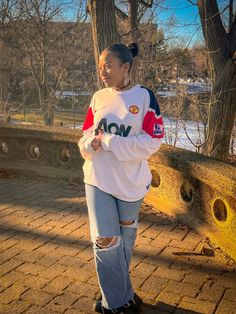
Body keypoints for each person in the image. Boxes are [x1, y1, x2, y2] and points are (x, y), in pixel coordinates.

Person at [78, 43, 164, 314]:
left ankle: (121, 295)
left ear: (125, 67)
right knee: (105, 240)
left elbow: (153, 140)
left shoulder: (144, 97)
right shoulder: (98, 97)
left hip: (131, 184)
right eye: (100, 66)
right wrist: (89, 144)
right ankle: (115, 305)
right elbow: (85, 135)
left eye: (108, 66)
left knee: (125, 239)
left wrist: (110, 140)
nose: (102, 71)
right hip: (98, 177)